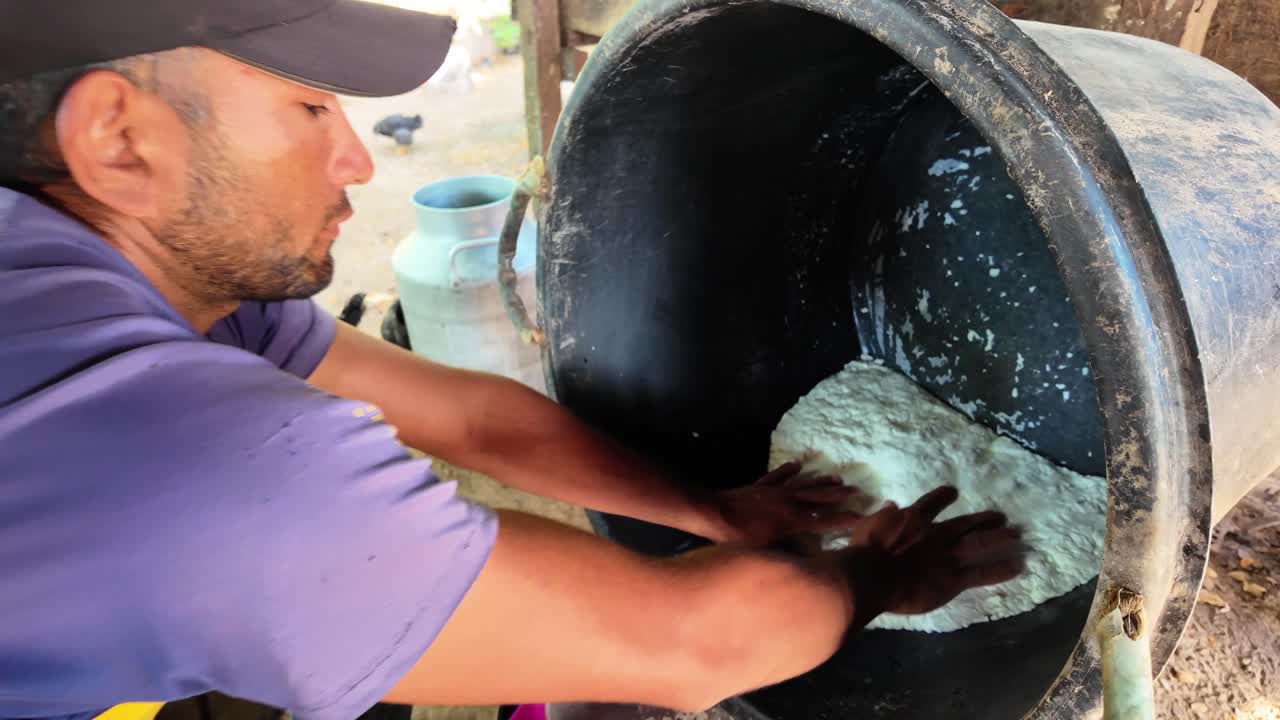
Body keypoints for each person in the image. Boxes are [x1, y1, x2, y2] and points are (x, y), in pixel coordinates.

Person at [0, 2, 1027, 719]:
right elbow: (695, 648)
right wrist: (876, 578)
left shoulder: (108, 273)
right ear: (118, 140)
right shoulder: (209, 473)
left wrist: (711, 510)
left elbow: (476, 424)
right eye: (307, 109)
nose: (357, 159)